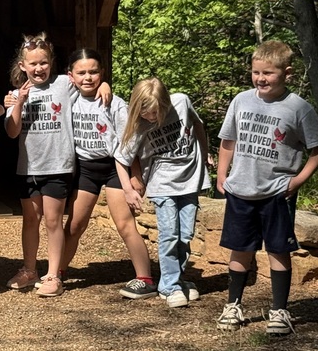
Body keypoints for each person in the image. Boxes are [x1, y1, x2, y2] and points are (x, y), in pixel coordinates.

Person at [215, 41, 318, 335]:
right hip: (240, 190)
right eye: (256, 72)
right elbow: (228, 141)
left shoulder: (299, 108)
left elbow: (315, 149)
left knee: (277, 250)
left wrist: (297, 180)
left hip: (276, 193)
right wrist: (222, 174)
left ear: (287, 73)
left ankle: (279, 310)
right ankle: (233, 305)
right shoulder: (241, 101)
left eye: (268, 73)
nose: (261, 78)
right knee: (239, 250)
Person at [55, 50, 154, 298]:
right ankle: (57, 273)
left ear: (102, 73)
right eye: (81, 72)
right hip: (85, 169)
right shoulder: (68, 99)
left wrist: (135, 175)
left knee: (124, 223)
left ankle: (145, 278)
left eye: (94, 72)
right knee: (75, 225)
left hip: (114, 167)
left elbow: (129, 142)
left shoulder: (114, 103)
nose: (88, 77)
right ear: (71, 76)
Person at [116, 77, 210, 308]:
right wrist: (127, 189)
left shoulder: (182, 103)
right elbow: (121, 158)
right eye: (145, 113)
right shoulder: (138, 125)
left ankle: (177, 280)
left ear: (165, 103)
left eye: (155, 112)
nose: (150, 117)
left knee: (185, 236)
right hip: (161, 184)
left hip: (189, 181)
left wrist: (205, 154)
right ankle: (168, 287)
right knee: (169, 235)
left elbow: (198, 125)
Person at [4, 33, 78, 297]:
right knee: (30, 220)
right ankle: (29, 269)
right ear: (23, 66)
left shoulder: (64, 84)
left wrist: (103, 86)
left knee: (53, 221)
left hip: (57, 164)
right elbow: (12, 132)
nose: (39, 69)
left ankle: (53, 274)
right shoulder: (15, 94)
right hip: (29, 167)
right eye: (33, 64)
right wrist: (18, 103)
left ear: (52, 62)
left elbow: (88, 84)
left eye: (43, 63)